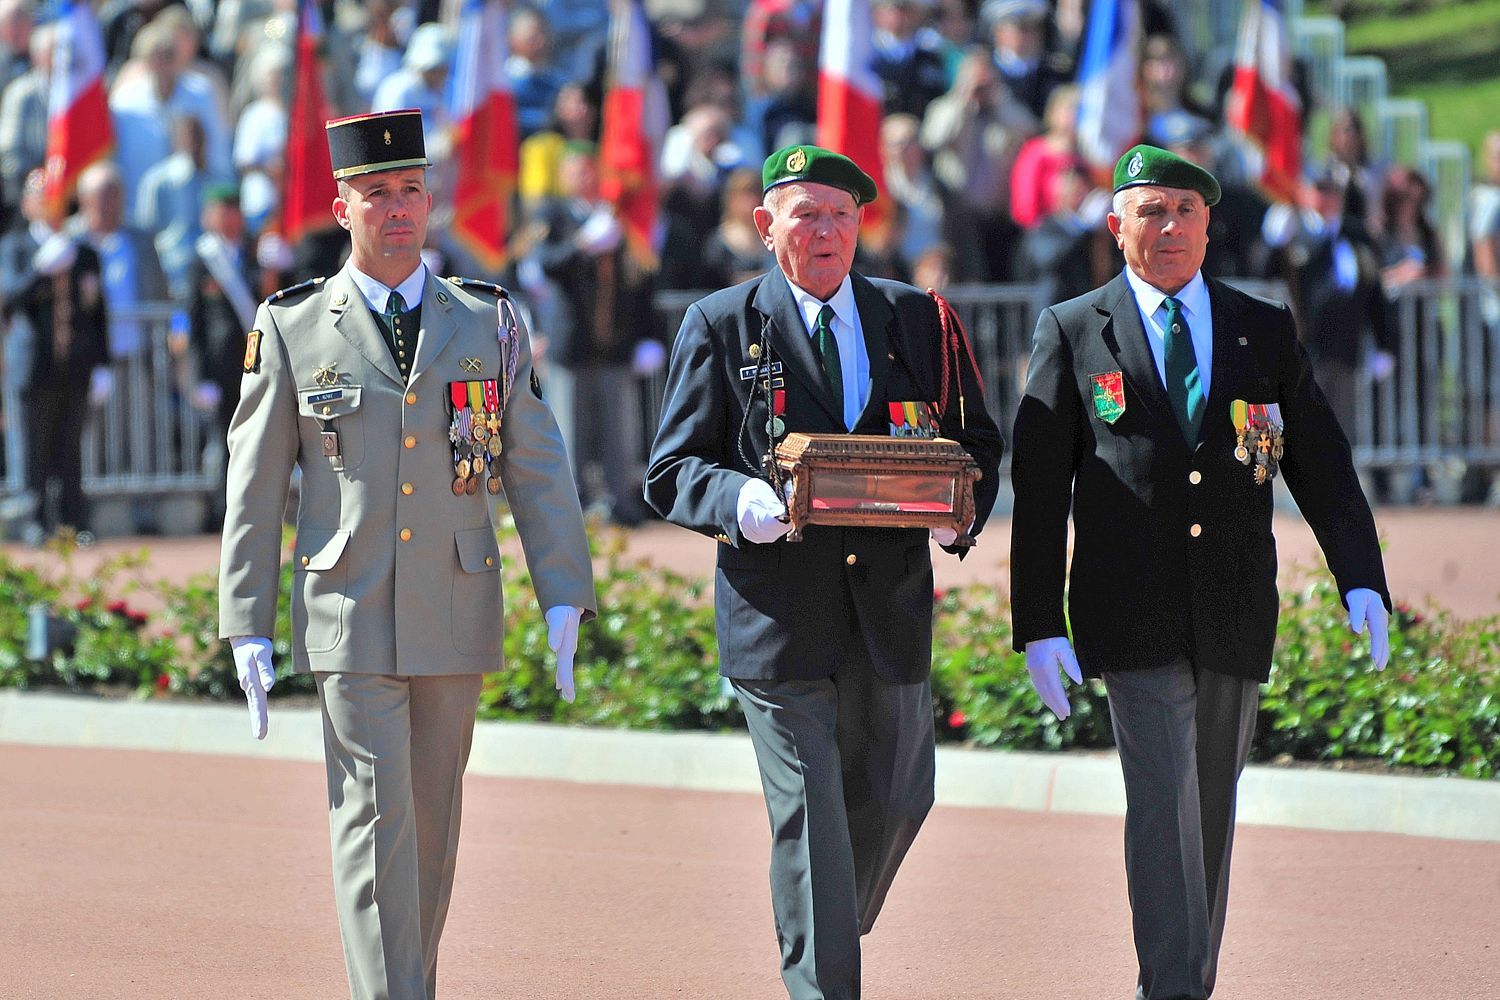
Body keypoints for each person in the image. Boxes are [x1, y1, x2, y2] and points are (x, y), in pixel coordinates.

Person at [217, 108, 597, 1000]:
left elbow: (535, 466)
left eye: (411, 191)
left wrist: (564, 594)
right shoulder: (292, 326)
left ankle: (407, 984)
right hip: (347, 607)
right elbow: (255, 482)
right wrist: (247, 621)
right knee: (374, 821)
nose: (397, 209)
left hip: (455, 605)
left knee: (429, 830)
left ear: (432, 202)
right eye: (376, 193)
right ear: (341, 207)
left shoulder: (488, 322)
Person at [1010, 144, 1392, 1000]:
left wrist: (1359, 575)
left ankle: (1185, 980)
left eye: (1186, 209)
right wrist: (1038, 621)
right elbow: (1038, 491)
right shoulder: (1074, 330)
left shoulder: (1262, 326)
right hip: (1129, 607)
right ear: (1116, 227)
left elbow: (1319, 461)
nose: (1170, 225)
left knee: (1209, 806)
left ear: (1211, 225)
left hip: (1232, 601)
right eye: (1151, 210)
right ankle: (1173, 989)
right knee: (1162, 802)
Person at [644, 145, 1004, 1000]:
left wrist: (962, 510)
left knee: (899, 795)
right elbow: (670, 470)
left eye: (842, 214)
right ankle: (823, 980)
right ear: (766, 228)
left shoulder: (918, 320)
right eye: (806, 214)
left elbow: (976, 443)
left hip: (889, 610)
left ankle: (826, 918)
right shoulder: (723, 323)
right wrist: (738, 502)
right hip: (779, 616)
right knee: (811, 827)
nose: (827, 231)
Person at [0, 168, 110, 539]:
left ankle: (72, 522)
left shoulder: (84, 252)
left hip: (75, 366)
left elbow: (97, 314)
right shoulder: (15, 248)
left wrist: (102, 365)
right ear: (29, 203)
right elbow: (9, 298)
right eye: (42, 196)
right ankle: (34, 521)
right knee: (33, 449)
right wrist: (38, 270)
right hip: (34, 365)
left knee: (71, 451)